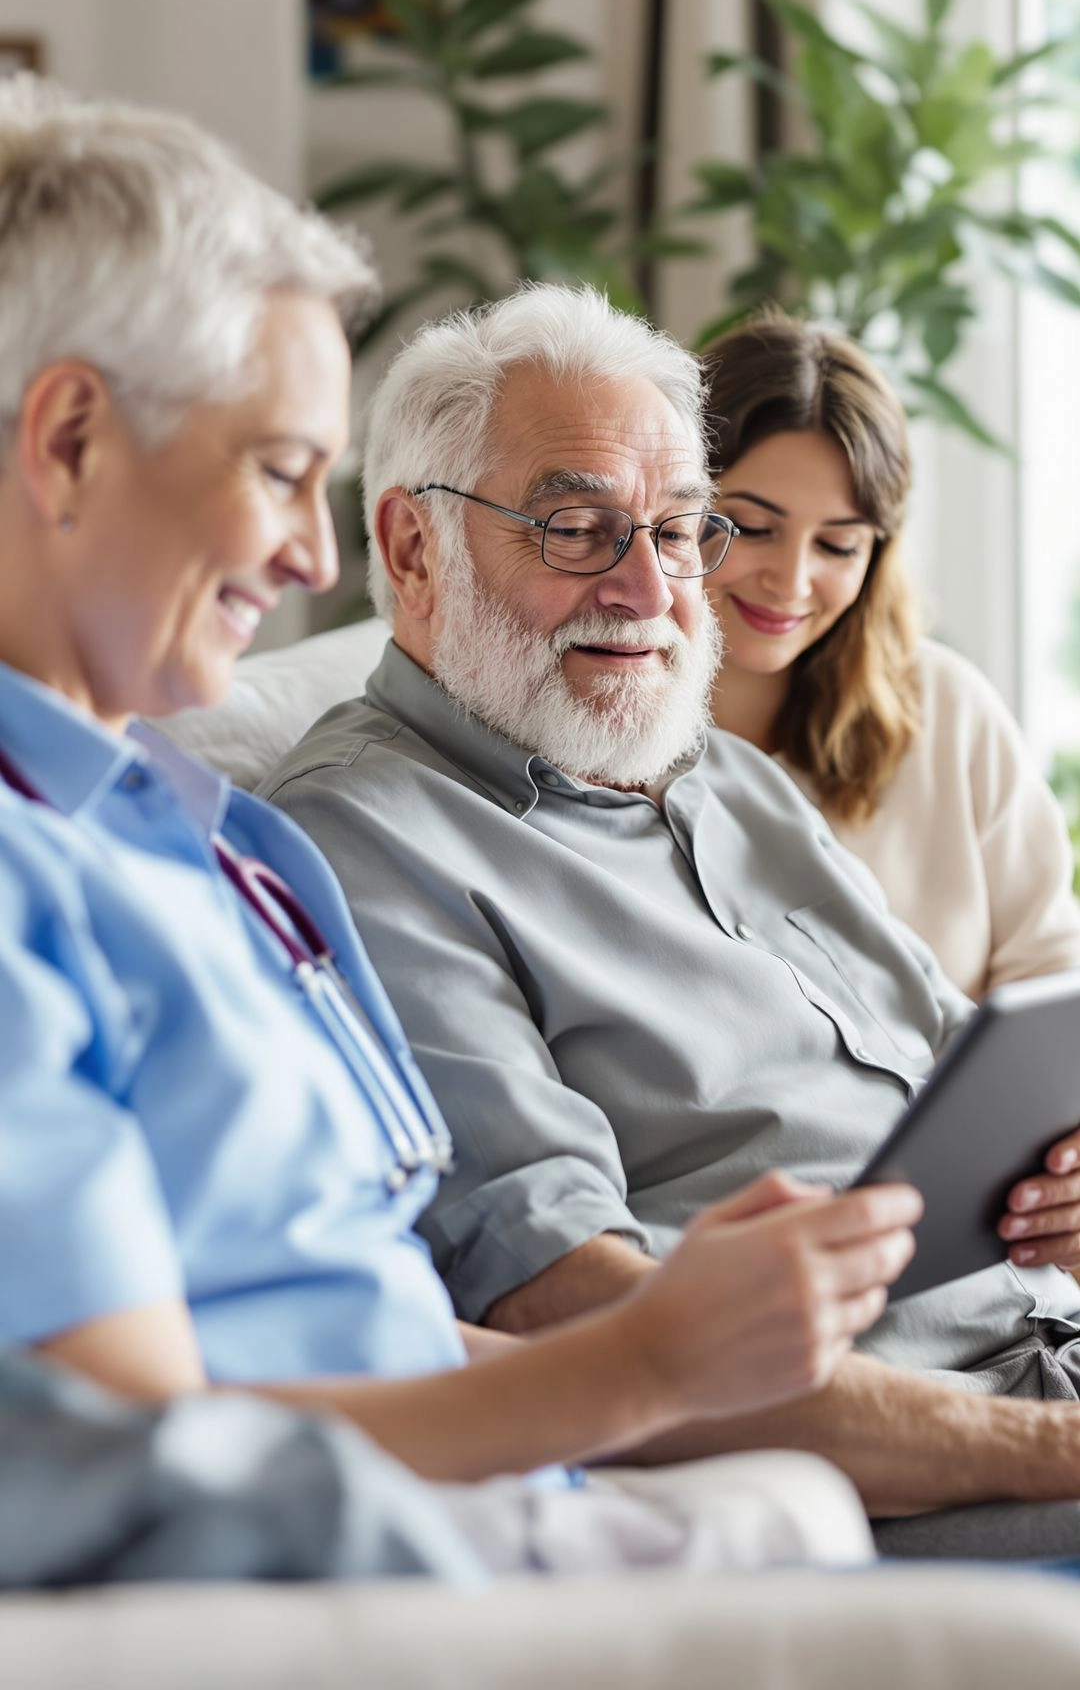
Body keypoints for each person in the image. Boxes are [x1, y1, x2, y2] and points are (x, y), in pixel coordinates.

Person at [0, 76, 918, 1579]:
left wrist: (655, 1393)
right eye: (284, 471)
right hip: (368, 1587)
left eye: (672, 529)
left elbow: (394, 1317)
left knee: (791, 1522)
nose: (311, 556)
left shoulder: (202, 828)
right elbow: (128, 1472)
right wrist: (647, 1369)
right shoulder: (91, 872)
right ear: (70, 443)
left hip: (523, 1510)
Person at [262, 281, 1080, 1563]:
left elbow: (958, 1066)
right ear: (413, 551)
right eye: (578, 528)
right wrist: (1053, 1450)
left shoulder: (725, 779)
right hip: (917, 1465)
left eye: (680, 528)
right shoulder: (365, 843)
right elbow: (576, 1317)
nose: (649, 586)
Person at [700, 313, 1080, 1000]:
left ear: (876, 555)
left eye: (838, 545)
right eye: (752, 527)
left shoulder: (948, 711)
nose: (790, 581)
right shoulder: (596, 739)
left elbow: (1051, 980)